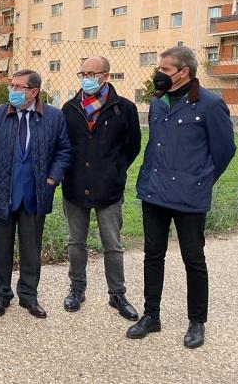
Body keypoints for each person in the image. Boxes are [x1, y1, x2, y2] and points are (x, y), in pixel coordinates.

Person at [127, 46, 236, 349]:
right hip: (155, 192)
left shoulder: (210, 105)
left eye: (164, 69)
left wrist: (202, 180)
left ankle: (197, 322)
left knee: (193, 259)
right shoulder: (158, 102)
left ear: (183, 72)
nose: (158, 74)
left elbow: (225, 150)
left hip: (190, 197)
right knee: (153, 256)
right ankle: (151, 316)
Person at [0, 70, 71, 319]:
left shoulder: (53, 117)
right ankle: (1, 296)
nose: (12, 91)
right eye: (11, 86)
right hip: (2, 193)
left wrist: (52, 178)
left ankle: (28, 296)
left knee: (30, 250)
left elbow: (64, 150)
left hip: (35, 195)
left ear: (34, 92)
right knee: (0, 250)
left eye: (19, 87)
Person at [61, 56, 141, 320]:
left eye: (92, 73)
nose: (87, 78)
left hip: (109, 189)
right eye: (83, 73)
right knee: (76, 243)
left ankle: (117, 294)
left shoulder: (124, 108)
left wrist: (114, 170)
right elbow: (63, 146)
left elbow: (132, 147)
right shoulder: (70, 108)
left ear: (105, 76)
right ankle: (76, 289)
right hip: (75, 187)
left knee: (113, 245)